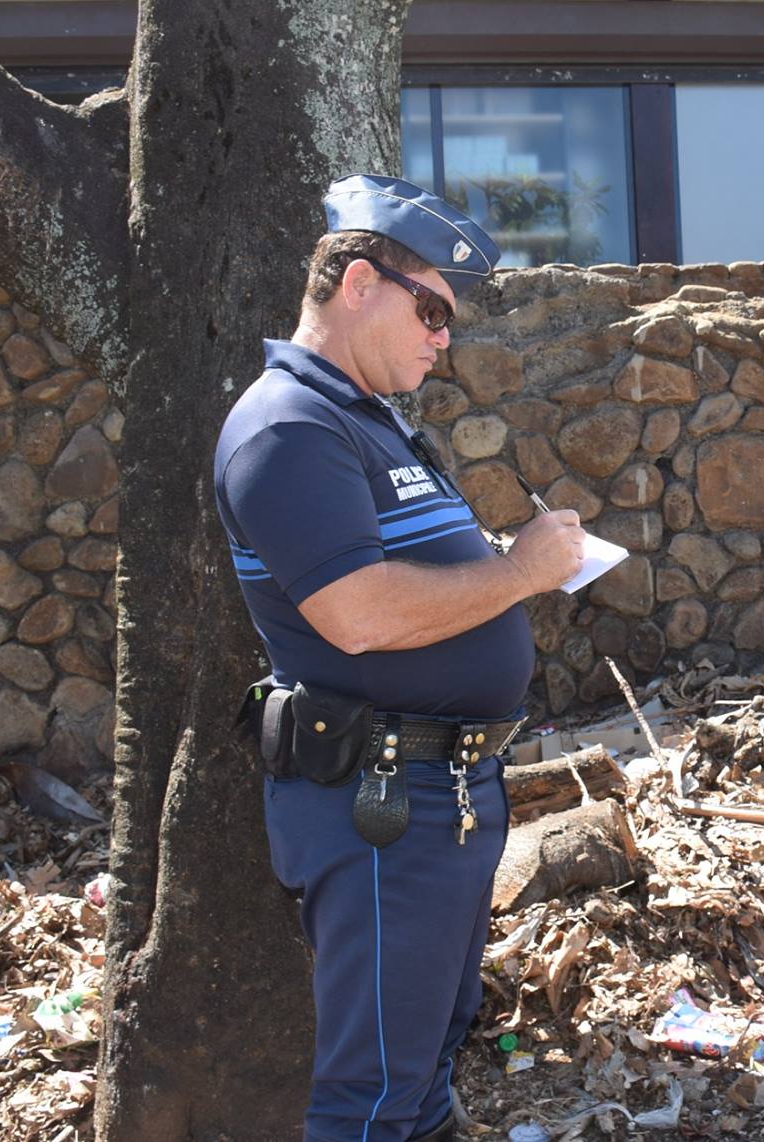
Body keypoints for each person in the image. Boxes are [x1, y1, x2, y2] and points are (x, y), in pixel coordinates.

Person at [214, 173, 585, 1142]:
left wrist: (508, 567)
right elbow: (359, 613)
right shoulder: (287, 425)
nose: (441, 336)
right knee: (374, 1097)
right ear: (357, 284)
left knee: (417, 1074)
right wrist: (519, 573)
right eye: (430, 308)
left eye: (446, 318)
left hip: (436, 798)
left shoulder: (363, 419)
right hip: (381, 805)